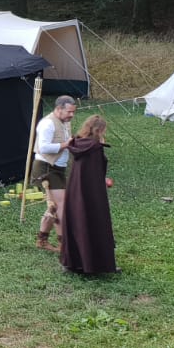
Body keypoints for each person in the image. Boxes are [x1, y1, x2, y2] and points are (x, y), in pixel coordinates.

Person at [58, 114, 118, 274]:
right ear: (99, 130)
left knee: (77, 222)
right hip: (92, 193)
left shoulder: (76, 143)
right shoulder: (95, 148)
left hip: (75, 191)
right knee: (95, 222)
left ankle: (73, 264)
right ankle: (95, 265)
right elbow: (97, 170)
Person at [33, 95, 77, 252]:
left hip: (57, 168)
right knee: (61, 206)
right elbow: (43, 147)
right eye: (69, 112)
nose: (72, 115)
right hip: (46, 167)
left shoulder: (65, 122)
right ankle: (64, 244)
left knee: (53, 207)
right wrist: (66, 144)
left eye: (73, 112)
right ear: (59, 109)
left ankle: (42, 239)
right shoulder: (47, 123)